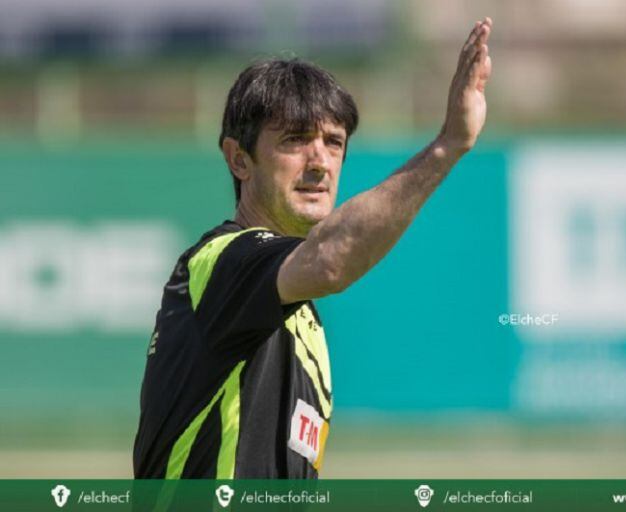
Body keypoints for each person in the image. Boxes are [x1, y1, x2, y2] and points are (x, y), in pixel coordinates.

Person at [133, 17, 493, 479]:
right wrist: (448, 145)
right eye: (295, 139)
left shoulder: (301, 315)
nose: (320, 161)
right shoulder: (221, 262)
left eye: (334, 142)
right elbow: (329, 260)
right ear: (238, 158)